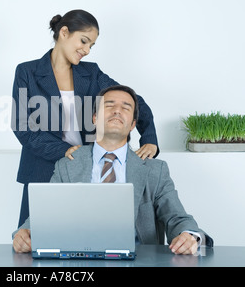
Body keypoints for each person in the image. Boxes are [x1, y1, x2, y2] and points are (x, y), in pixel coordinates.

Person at [13, 85, 214, 255]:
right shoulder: (67, 164)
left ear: (133, 124)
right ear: (94, 118)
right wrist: (25, 233)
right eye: (109, 105)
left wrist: (190, 236)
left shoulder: (155, 170)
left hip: (137, 260)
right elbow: (45, 214)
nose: (117, 110)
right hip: (78, 261)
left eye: (126, 107)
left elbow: (176, 217)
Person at [11, 9, 159, 228]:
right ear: (64, 32)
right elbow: (23, 127)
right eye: (84, 41)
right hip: (41, 170)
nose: (87, 50)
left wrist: (150, 138)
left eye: (91, 45)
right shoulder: (27, 71)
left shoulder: (91, 73)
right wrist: (64, 150)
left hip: (84, 170)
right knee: (32, 241)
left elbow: (132, 100)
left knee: (85, 237)